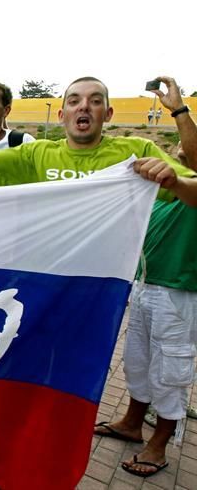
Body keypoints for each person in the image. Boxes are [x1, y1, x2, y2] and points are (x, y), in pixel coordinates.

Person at [90, 76, 197, 478]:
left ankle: (160, 443)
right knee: (137, 361)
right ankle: (133, 422)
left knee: (171, 371)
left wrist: (179, 110)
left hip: (179, 295)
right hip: (145, 288)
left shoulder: (189, 189)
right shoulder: (163, 191)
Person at [0, 76, 197, 203]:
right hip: (52, 278)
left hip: (108, 280)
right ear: (61, 115)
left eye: (95, 101)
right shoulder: (38, 153)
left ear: (108, 114)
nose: (84, 107)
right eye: (74, 101)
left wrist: (175, 182)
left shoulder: (137, 150)